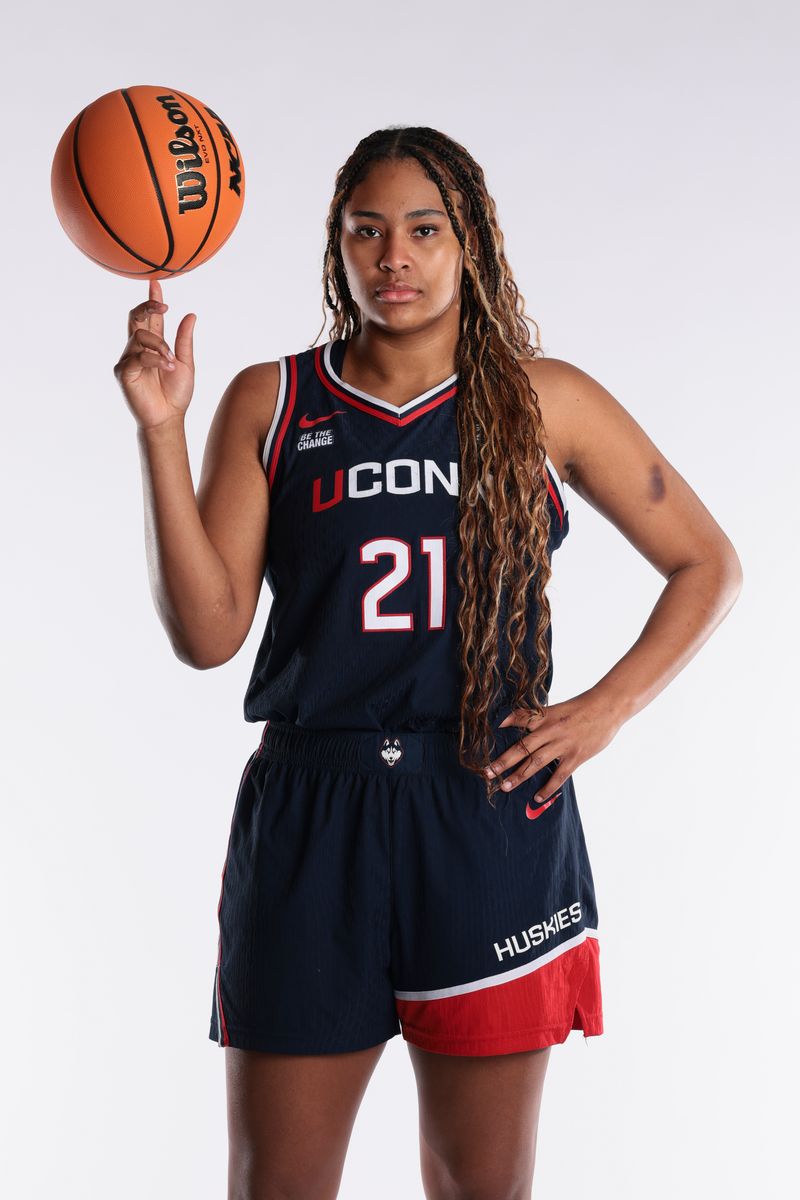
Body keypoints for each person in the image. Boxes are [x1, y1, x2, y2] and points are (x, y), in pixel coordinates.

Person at [113, 126, 742, 1200]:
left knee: (477, 1187)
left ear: (470, 246)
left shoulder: (540, 400)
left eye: (420, 229)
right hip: (315, 805)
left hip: (485, 801)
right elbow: (207, 635)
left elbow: (705, 563)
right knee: (276, 1186)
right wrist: (160, 432)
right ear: (336, 247)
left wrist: (604, 710)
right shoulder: (273, 403)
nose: (391, 256)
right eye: (366, 231)